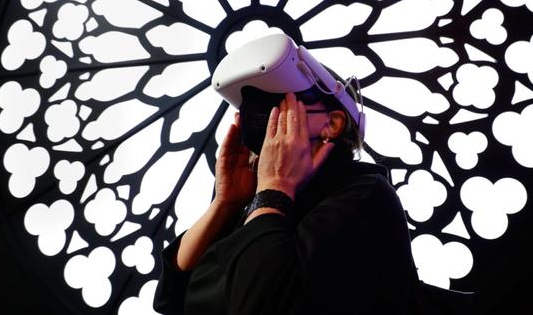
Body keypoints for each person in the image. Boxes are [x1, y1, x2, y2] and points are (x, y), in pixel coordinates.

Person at [153, 75, 423, 314]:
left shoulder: (364, 194)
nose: (261, 120)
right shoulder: (253, 203)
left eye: (279, 107)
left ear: (331, 122)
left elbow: (261, 304)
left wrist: (276, 186)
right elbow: (170, 298)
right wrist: (224, 203)